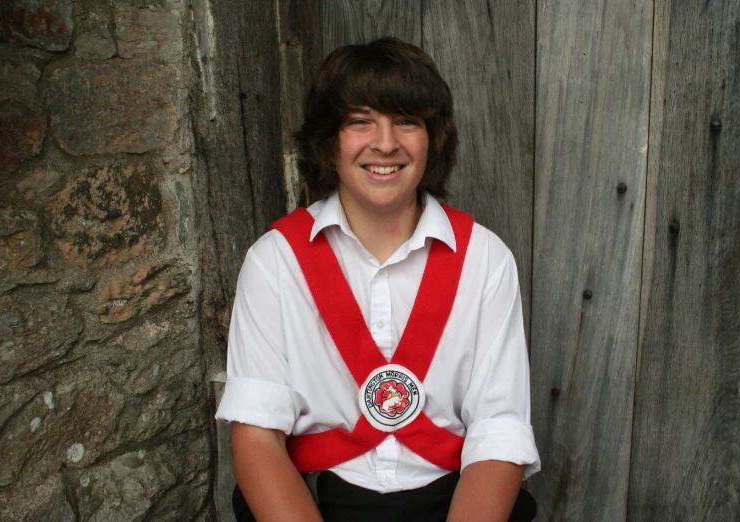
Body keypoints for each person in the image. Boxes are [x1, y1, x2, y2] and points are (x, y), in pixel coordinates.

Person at [215, 37, 540, 522]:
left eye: (406, 121)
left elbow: (499, 429)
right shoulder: (275, 262)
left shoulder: (485, 259)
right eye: (360, 121)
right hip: (311, 501)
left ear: (433, 137)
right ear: (329, 140)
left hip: (457, 502)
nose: (385, 143)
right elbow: (257, 437)